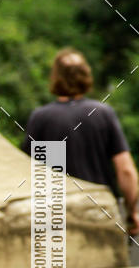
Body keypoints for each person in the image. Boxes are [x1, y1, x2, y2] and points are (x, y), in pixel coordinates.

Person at [23, 48, 139, 236]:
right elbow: (126, 170)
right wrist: (132, 212)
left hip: (55, 219)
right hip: (100, 214)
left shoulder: (41, 118)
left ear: (55, 77)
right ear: (86, 75)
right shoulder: (102, 114)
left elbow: (30, 174)